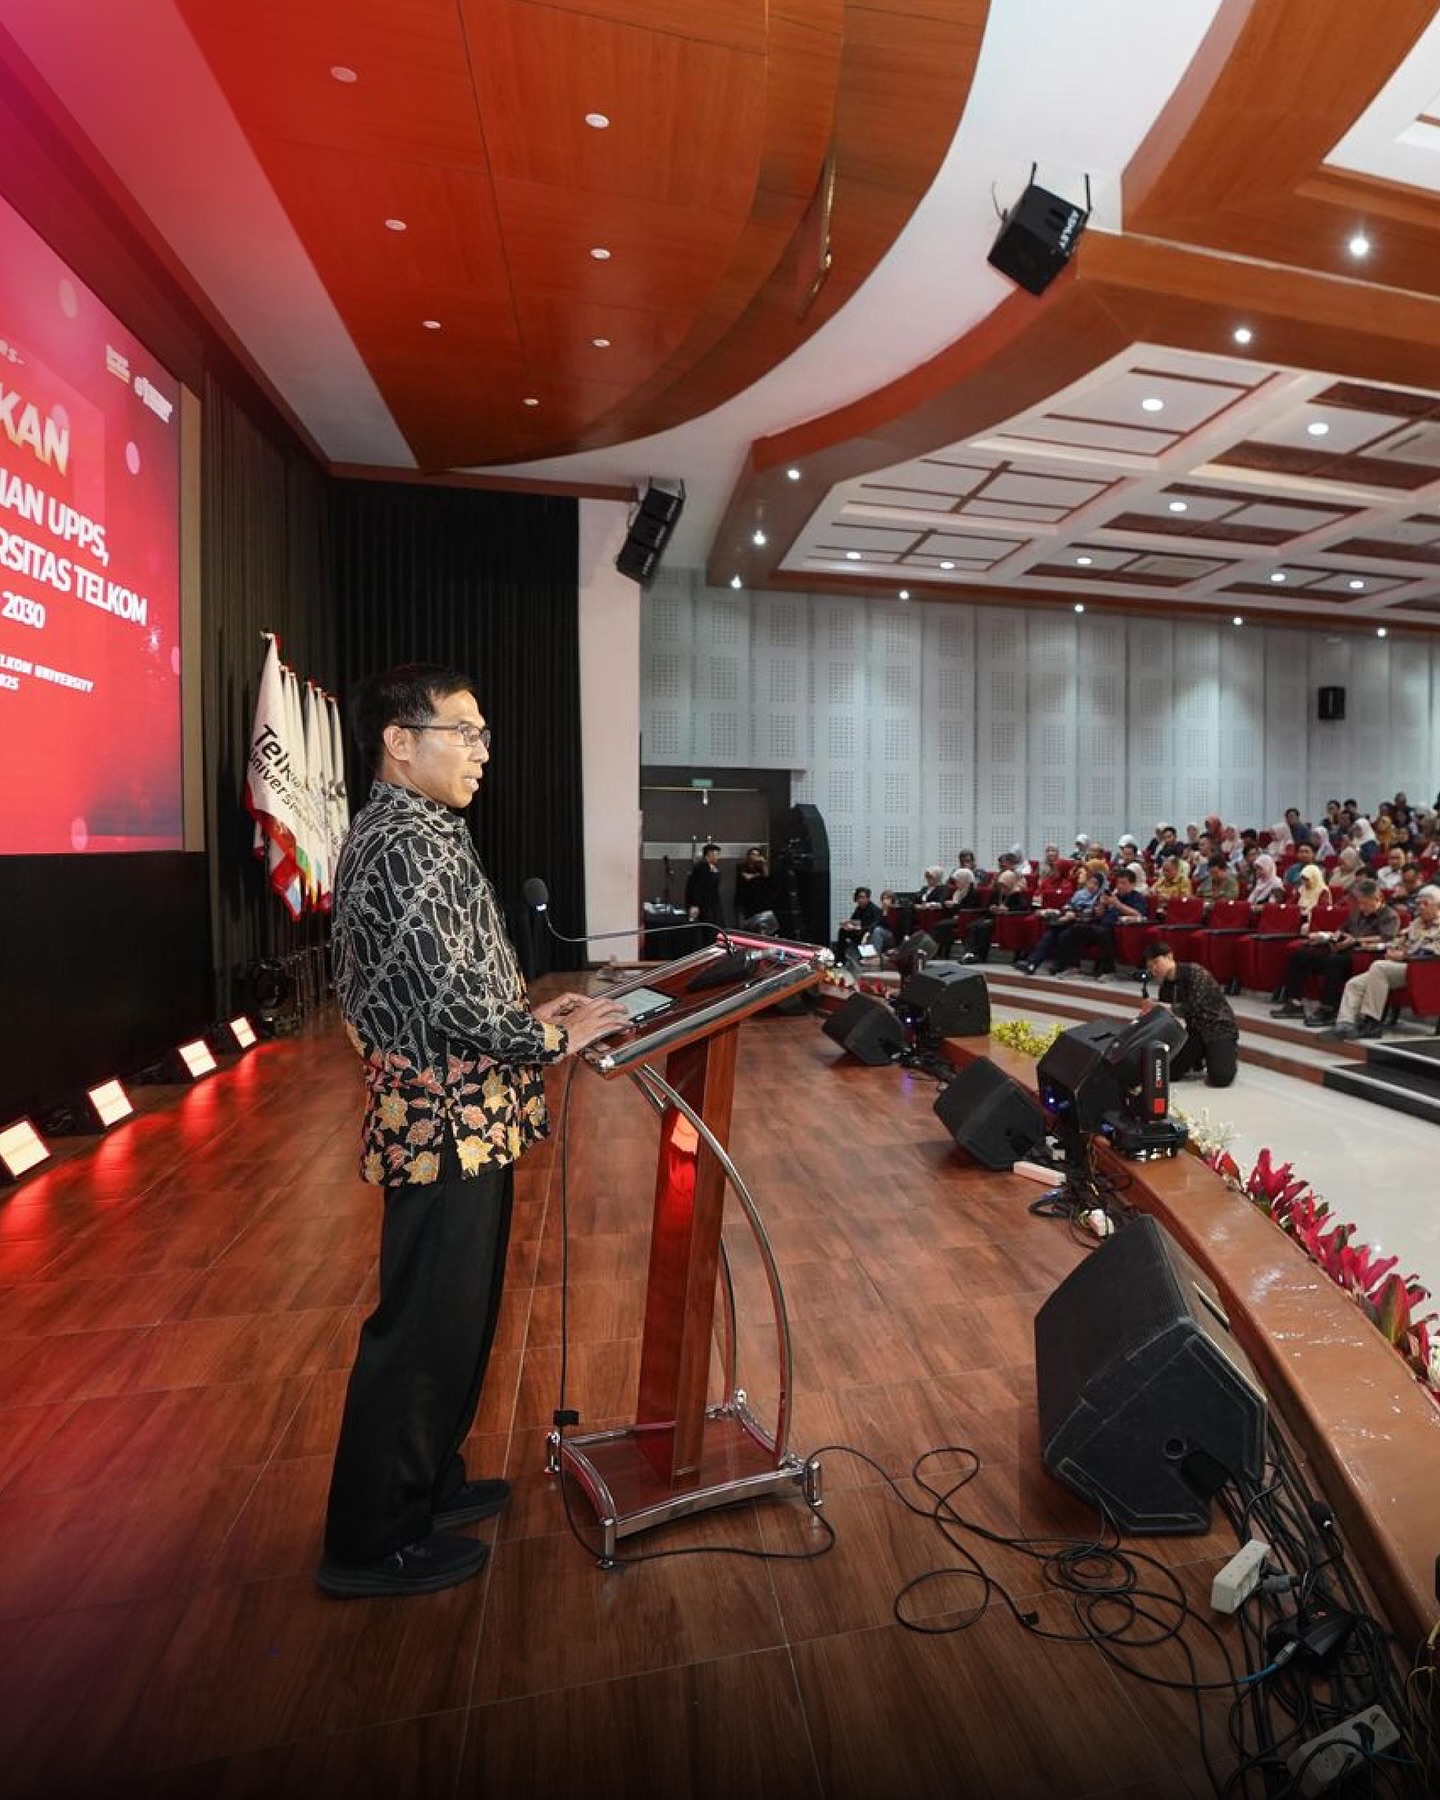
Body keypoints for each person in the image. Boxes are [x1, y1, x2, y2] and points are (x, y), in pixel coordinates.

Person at [319, 664, 628, 1599]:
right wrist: (551, 1036)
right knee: (422, 1333)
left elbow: (452, 980)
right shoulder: (404, 841)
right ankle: (371, 1540)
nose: (482, 751)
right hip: (443, 1123)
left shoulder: (422, 828)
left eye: (484, 733)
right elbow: (451, 1002)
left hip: (468, 1117)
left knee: (456, 1322)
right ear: (399, 742)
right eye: (464, 731)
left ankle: (425, 1486)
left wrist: (535, 1011)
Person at [1269, 877, 1399, 1027]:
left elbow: (1387, 938)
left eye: (1364, 903)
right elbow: (1342, 929)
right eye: (1359, 903)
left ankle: (1329, 1009)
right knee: (1300, 955)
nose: (1361, 907)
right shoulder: (1357, 913)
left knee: (1334, 961)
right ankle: (1294, 1003)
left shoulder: (1390, 915)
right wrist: (1331, 938)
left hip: (1363, 955)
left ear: (1376, 899)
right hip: (1344, 949)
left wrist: (1355, 940)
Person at [1331, 884, 1440, 1041]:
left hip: (1424, 969)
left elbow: (1433, 952)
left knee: (1379, 967)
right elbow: (1398, 940)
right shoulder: (1417, 923)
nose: (1420, 907)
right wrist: (1389, 949)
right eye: (1418, 903)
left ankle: (1372, 1022)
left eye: (1425, 904)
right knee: (1355, 983)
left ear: (1438, 905)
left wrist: (1404, 956)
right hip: (1402, 967)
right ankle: (1345, 1023)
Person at [1143, 941, 1239, 1087]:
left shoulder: (1195, 972)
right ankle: (1200, 1057)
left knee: (1221, 1078)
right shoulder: (1166, 987)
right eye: (1150, 967)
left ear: (1169, 956)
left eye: (1156, 962)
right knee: (1170, 1072)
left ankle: (1225, 1053)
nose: (1154, 969)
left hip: (1218, 1028)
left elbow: (1194, 1007)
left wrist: (1159, 1005)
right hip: (1194, 1032)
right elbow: (1169, 1016)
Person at [685, 842, 725, 934]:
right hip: (704, 906)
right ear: (710, 854)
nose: (718, 857)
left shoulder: (712, 867)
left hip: (711, 904)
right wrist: (695, 904)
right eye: (716, 854)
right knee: (708, 930)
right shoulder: (702, 867)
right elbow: (697, 887)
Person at [735, 846, 775, 927]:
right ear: (748, 856)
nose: (755, 857)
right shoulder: (741, 866)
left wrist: (764, 863)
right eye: (753, 854)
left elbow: (766, 875)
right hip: (745, 898)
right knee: (745, 922)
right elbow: (747, 877)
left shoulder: (760, 868)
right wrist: (758, 875)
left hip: (758, 900)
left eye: (757, 855)